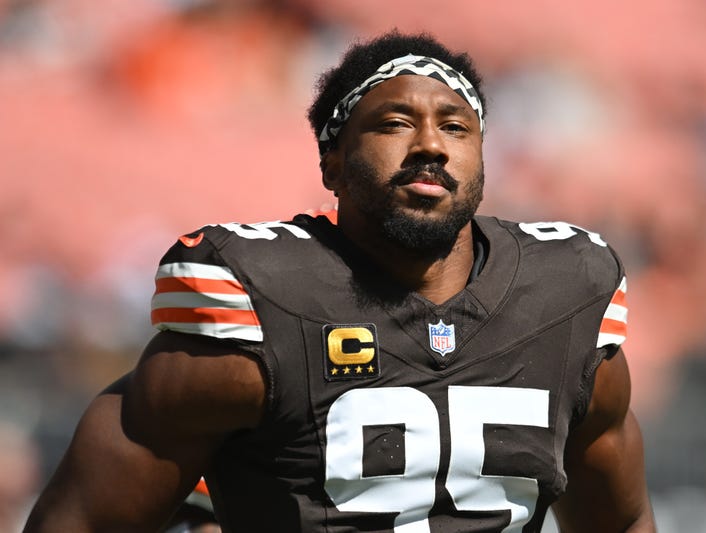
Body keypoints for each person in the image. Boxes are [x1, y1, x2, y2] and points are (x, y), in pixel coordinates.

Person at [24, 30, 655, 532]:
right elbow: (85, 519)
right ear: (332, 162)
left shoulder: (565, 296)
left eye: (456, 127)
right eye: (394, 124)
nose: (430, 145)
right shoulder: (262, 299)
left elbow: (620, 521)